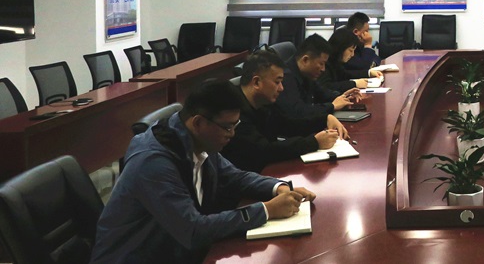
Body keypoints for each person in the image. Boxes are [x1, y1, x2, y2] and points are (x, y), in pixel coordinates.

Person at [91, 79, 317, 263]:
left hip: (171, 251)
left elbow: (235, 176)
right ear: (198, 122)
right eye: (227, 127)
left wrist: (279, 188)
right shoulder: (153, 163)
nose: (232, 134)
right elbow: (193, 230)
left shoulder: (197, 141)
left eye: (235, 126)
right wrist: (266, 211)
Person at [221, 48, 347, 173]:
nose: (281, 88)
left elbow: (288, 125)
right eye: (277, 82)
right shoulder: (233, 111)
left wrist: (325, 120)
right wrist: (314, 143)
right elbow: (264, 150)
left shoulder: (263, 102)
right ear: (257, 82)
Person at [276, 34, 361, 120]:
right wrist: (331, 106)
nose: (323, 69)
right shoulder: (285, 78)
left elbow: (322, 93)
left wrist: (343, 97)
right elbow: (298, 112)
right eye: (321, 64)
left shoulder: (306, 73)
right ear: (305, 60)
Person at [319, 27, 376, 93]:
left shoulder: (335, 61)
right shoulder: (325, 63)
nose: (352, 55)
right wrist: (354, 84)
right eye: (350, 50)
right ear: (341, 48)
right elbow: (326, 86)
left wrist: (368, 73)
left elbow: (345, 74)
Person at [343, 11, 382, 79]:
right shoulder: (346, 46)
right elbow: (364, 67)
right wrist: (368, 45)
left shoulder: (359, 43)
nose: (368, 34)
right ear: (356, 32)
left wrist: (372, 64)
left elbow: (377, 58)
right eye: (366, 31)